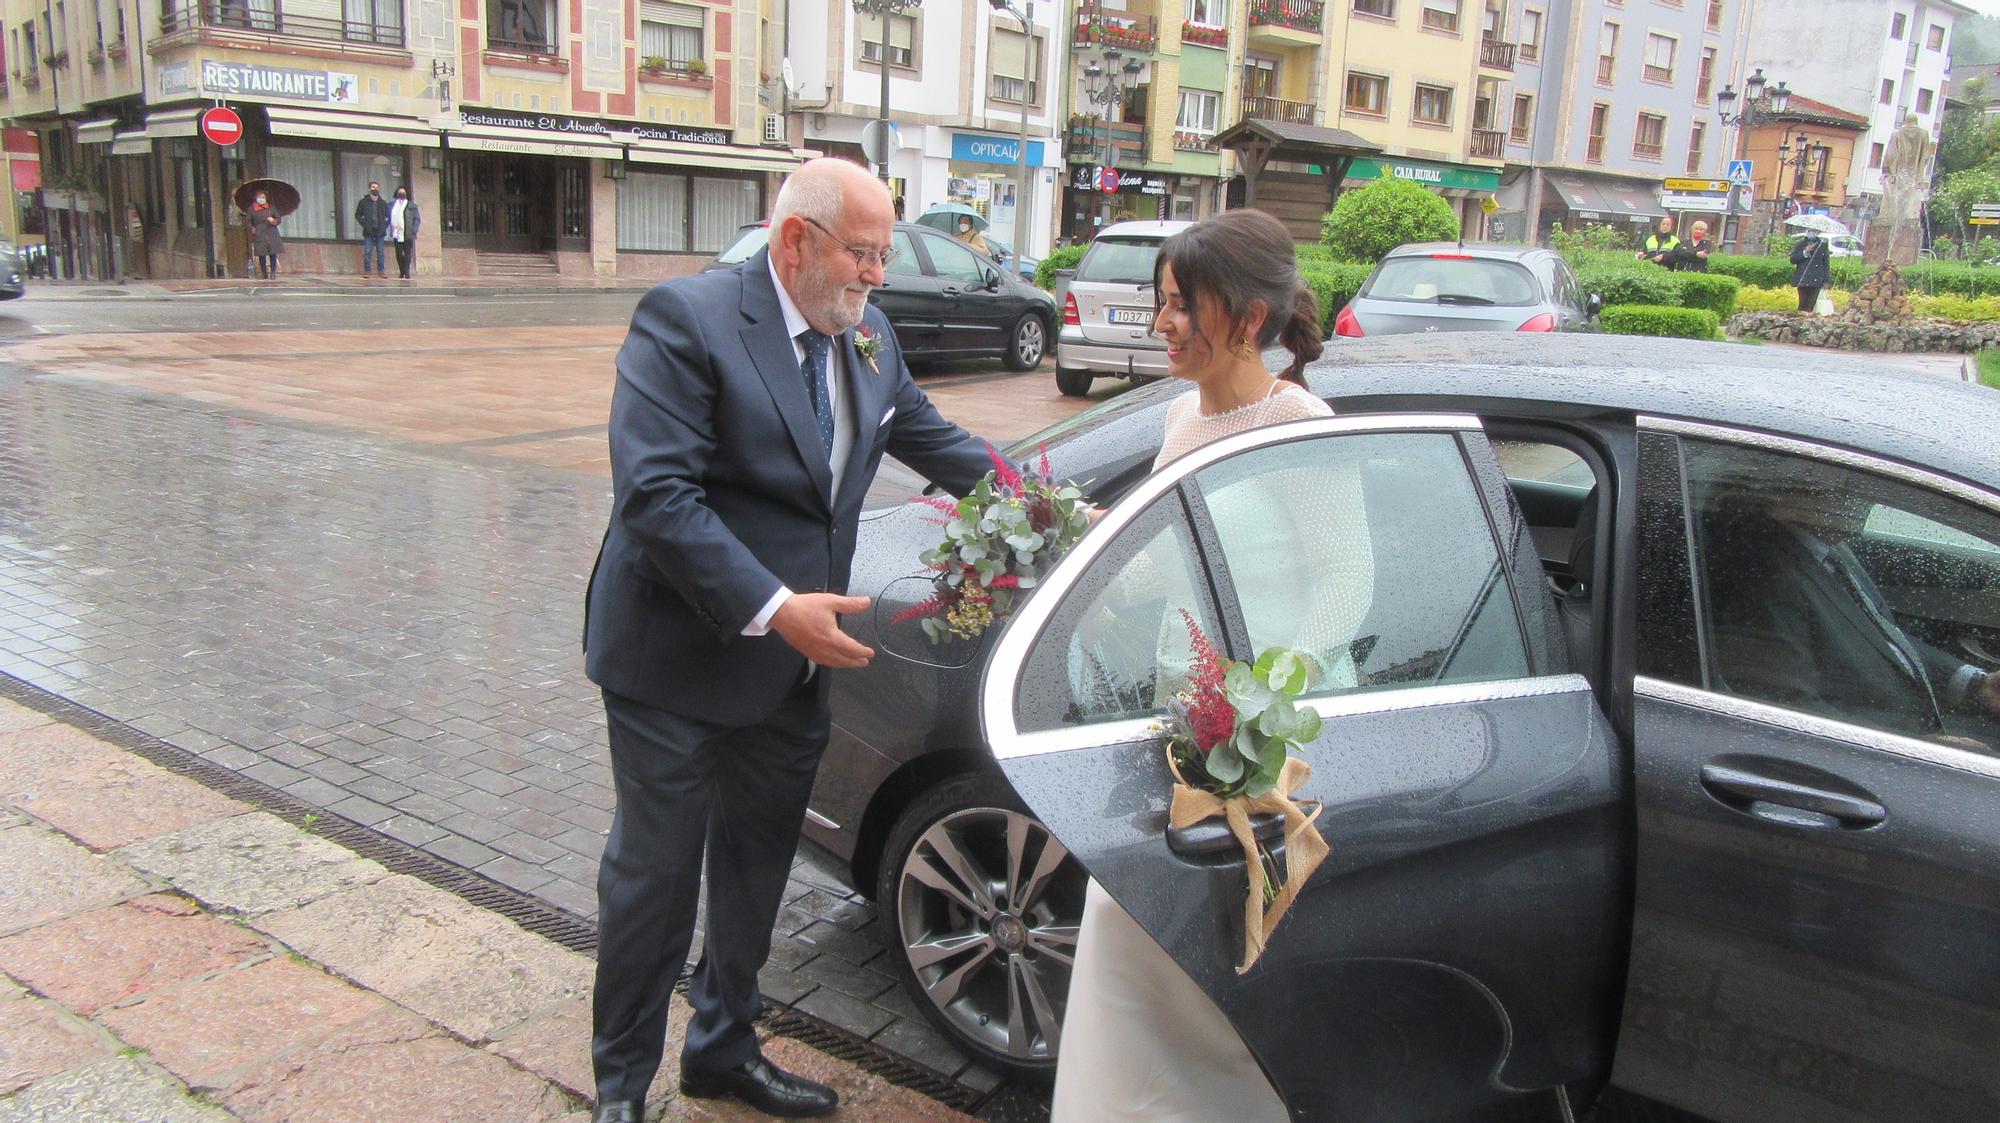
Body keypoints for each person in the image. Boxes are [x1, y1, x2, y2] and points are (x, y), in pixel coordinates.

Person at [582, 158, 997, 1123]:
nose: (877, 275)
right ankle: (620, 1091)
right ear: (795, 241)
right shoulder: (686, 321)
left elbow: (939, 443)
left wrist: (1053, 502)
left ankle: (722, 1047)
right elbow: (656, 497)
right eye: (862, 252)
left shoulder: (869, 336)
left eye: (884, 254)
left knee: (755, 867)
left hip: (791, 674)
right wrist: (773, 604)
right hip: (675, 662)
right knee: (654, 879)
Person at [1053, 207, 1329, 1123]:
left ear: (1248, 319)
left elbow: (1351, 577)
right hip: (1175, 723)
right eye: (1161, 301)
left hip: (1255, 749)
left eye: (1183, 305)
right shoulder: (1179, 413)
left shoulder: (1296, 424)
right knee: (1129, 928)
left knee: (1211, 961)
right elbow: (1166, 559)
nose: (1163, 322)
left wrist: (1270, 710)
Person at [355, 181, 391, 278]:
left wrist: (384, 226)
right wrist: (364, 224)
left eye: (376, 187)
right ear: (369, 189)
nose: (375, 189)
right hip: (368, 231)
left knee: (381, 252)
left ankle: (381, 271)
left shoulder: (383, 203)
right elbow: (357, 215)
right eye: (373, 187)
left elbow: (389, 217)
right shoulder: (363, 202)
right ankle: (367, 271)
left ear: (379, 189)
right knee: (367, 251)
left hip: (380, 232)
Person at [1791, 229, 1831, 312]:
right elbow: (1793, 259)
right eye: (1809, 230)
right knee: (1802, 304)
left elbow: (1826, 264)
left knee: (1810, 305)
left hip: (1816, 280)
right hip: (1803, 279)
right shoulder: (1800, 244)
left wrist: (1826, 281)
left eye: (1813, 231)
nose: (1811, 233)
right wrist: (1805, 252)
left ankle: (1808, 320)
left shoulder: (1822, 246)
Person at [388, 185, 420, 280]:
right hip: (396, 233)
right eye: (400, 192)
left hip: (408, 233)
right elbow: (388, 217)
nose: (402, 193)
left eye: (403, 192)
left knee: (407, 253)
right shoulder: (392, 205)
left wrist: (414, 230)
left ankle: (406, 271)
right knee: (398, 253)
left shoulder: (412, 205)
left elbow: (417, 219)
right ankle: (401, 271)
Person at [249, 193, 282, 280]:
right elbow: (249, 221)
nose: (261, 199)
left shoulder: (271, 207)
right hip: (260, 233)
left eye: (263, 197)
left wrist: (273, 220)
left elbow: (278, 219)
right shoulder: (252, 209)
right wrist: (252, 228)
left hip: (271, 232)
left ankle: (273, 273)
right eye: (259, 197)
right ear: (256, 198)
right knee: (261, 253)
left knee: (273, 253)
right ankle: (264, 273)